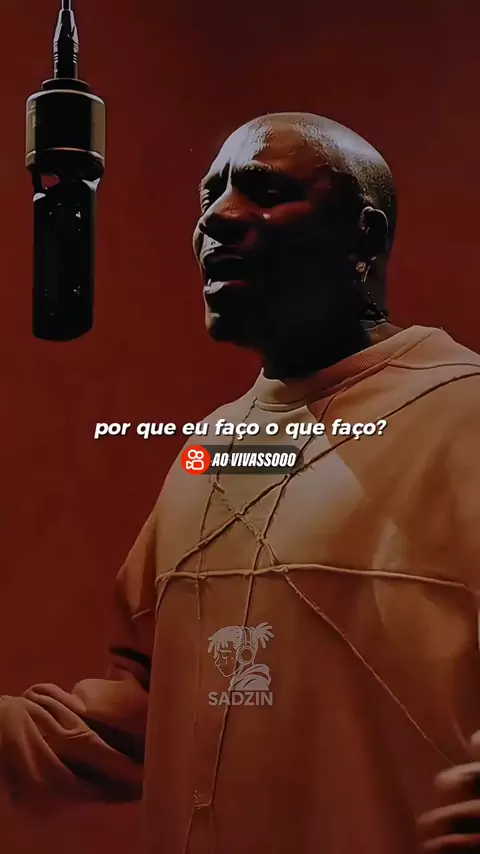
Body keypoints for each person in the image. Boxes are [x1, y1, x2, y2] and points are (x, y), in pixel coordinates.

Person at [1, 111, 480, 854]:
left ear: (364, 237)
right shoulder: (209, 451)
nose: (218, 218)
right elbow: (151, 707)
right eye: (210, 196)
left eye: (265, 191)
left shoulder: (465, 415)